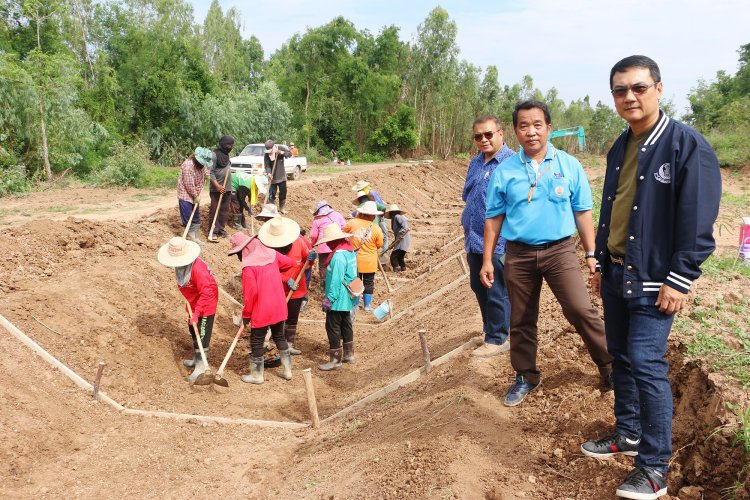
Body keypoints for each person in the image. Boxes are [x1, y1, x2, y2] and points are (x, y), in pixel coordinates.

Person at [580, 56, 721, 500]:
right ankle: (629, 433)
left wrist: (680, 276)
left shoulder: (685, 146)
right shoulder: (620, 147)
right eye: (620, 90)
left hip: (656, 277)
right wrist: (600, 260)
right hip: (619, 271)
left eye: (638, 88)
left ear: (659, 89)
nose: (630, 97)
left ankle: (655, 467)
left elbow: (698, 220)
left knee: (645, 362)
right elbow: (613, 210)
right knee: (620, 355)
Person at [480, 99, 613, 407]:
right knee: (522, 319)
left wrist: (591, 254)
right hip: (519, 254)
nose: (531, 132)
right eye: (523, 126)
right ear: (515, 131)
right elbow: (494, 218)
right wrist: (487, 259)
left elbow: (582, 212)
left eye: (537, 125)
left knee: (581, 310)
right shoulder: (506, 171)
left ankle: (609, 367)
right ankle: (526, 376)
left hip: (560, 251)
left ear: (549, 128)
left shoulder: (568, 165)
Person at [462, 115, 515, 358]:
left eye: (488, 134)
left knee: (495, 288)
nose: (483, 140)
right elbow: (468, 195)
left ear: (501, 134)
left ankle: (498, 338)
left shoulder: (513, 163)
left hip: (499, 241)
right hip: (473, 238)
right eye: (478, 136)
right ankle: (489, 330)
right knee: (478, 285)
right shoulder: (475, 163)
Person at [228, 231, 295, 384]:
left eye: (239, 253)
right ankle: (287, 370)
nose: (239, 257)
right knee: (279, 336)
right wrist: (274, 272)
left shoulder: (248, 268)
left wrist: (246, 314)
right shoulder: (271, 254)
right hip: (278, 305)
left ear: (245, 249)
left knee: (257, 340)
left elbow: (251, 294)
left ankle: (257, 375)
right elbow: (289, 263)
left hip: (262, 308)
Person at [157, 237, 218, 383]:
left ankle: (201, 367)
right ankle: (196, 358)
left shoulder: (198, 269)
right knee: (192, 330)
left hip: (205, 304)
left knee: (202, 335)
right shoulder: (183, 267)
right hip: (193, 303)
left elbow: (207, 292)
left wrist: (197, 314)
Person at [259, 217, 317, 356]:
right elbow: (267, 271)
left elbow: (306, 262)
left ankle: (289, 343)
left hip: (297, 287)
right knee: (276, 317)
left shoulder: (299, 241)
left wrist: (311, 259)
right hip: (275, 288)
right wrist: (285, 279)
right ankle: (275, 342)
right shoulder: (266, 247)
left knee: (292, 317)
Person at [314, 224, 358, 371]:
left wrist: (330, 299)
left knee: (332, 327)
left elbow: (336, 280)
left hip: (339, 298)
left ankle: (335, 360)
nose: (327, 244)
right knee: (346, 324)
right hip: (349, 296)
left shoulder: (338, 256)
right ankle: (349, 354)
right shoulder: (349, 251)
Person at [344, 201, 384, 312]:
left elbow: (343, 233)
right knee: (368, 282)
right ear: (371, 215)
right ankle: (367, 306)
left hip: (354, 259)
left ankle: (355, 304)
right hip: (370, 261)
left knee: (355, 281)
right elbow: (379, 244)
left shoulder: (352, 223)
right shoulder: (376, 228)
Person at [177, 147, 212, 244]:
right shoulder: (188, 165)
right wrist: (195, 196)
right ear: (196, 159)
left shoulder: (201, 166)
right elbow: (189, 184)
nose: (203, 165)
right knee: (188, 216)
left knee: (196, 217)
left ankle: (195, 237)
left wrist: (209, 176)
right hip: (186, 195)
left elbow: (206, 172)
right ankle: (190, 238)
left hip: (195, 194)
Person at [310, 200, 347, 290]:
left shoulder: (317, 220)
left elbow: (314, 235)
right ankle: (337, 285)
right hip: (337, 245)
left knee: (323, 266)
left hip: (323, 246)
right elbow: (344, 227)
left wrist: (313, 244)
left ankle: (324, 287)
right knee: (336, 265)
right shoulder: (337, 215)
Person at [208, 135, 234, 240]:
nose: (230, 147)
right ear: (223, 145)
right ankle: (212, 231)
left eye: (232, 145)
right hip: (216, 188)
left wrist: (229, 186)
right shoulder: (214, 155)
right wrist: (217, 186)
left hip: (227, 188)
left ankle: (221, 229)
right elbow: (210, 172)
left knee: (224, 210)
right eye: (229, 145)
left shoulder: (227, 155)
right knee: (215, 210)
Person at [352, 180, 389, 253]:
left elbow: (380, 205)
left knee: (383, 234)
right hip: (374, 216)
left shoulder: (371, 193)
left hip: (378, 215)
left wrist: (381, 215)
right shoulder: (365, 196)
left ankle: (384, 251)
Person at [264, 139, 291, 214]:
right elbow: (267, 165)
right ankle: (273, 210)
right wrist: (269, 173)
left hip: (281, 176)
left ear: (273, 147)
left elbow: (289, 154)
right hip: (272, 178)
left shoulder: (280, 148)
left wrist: (282, 153)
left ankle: (281, 208)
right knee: (272, 194)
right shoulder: (266, 154)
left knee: (283, 192)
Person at [385, 204, 410, 272]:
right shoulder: (395, 218)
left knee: (393, 257)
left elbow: (405, 226)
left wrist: (401, 233)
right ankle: (403, 268)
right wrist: (393, 243)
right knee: (400, 257)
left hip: (402, 239)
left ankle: (397, 269)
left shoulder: (397, 216)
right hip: (401, 239)